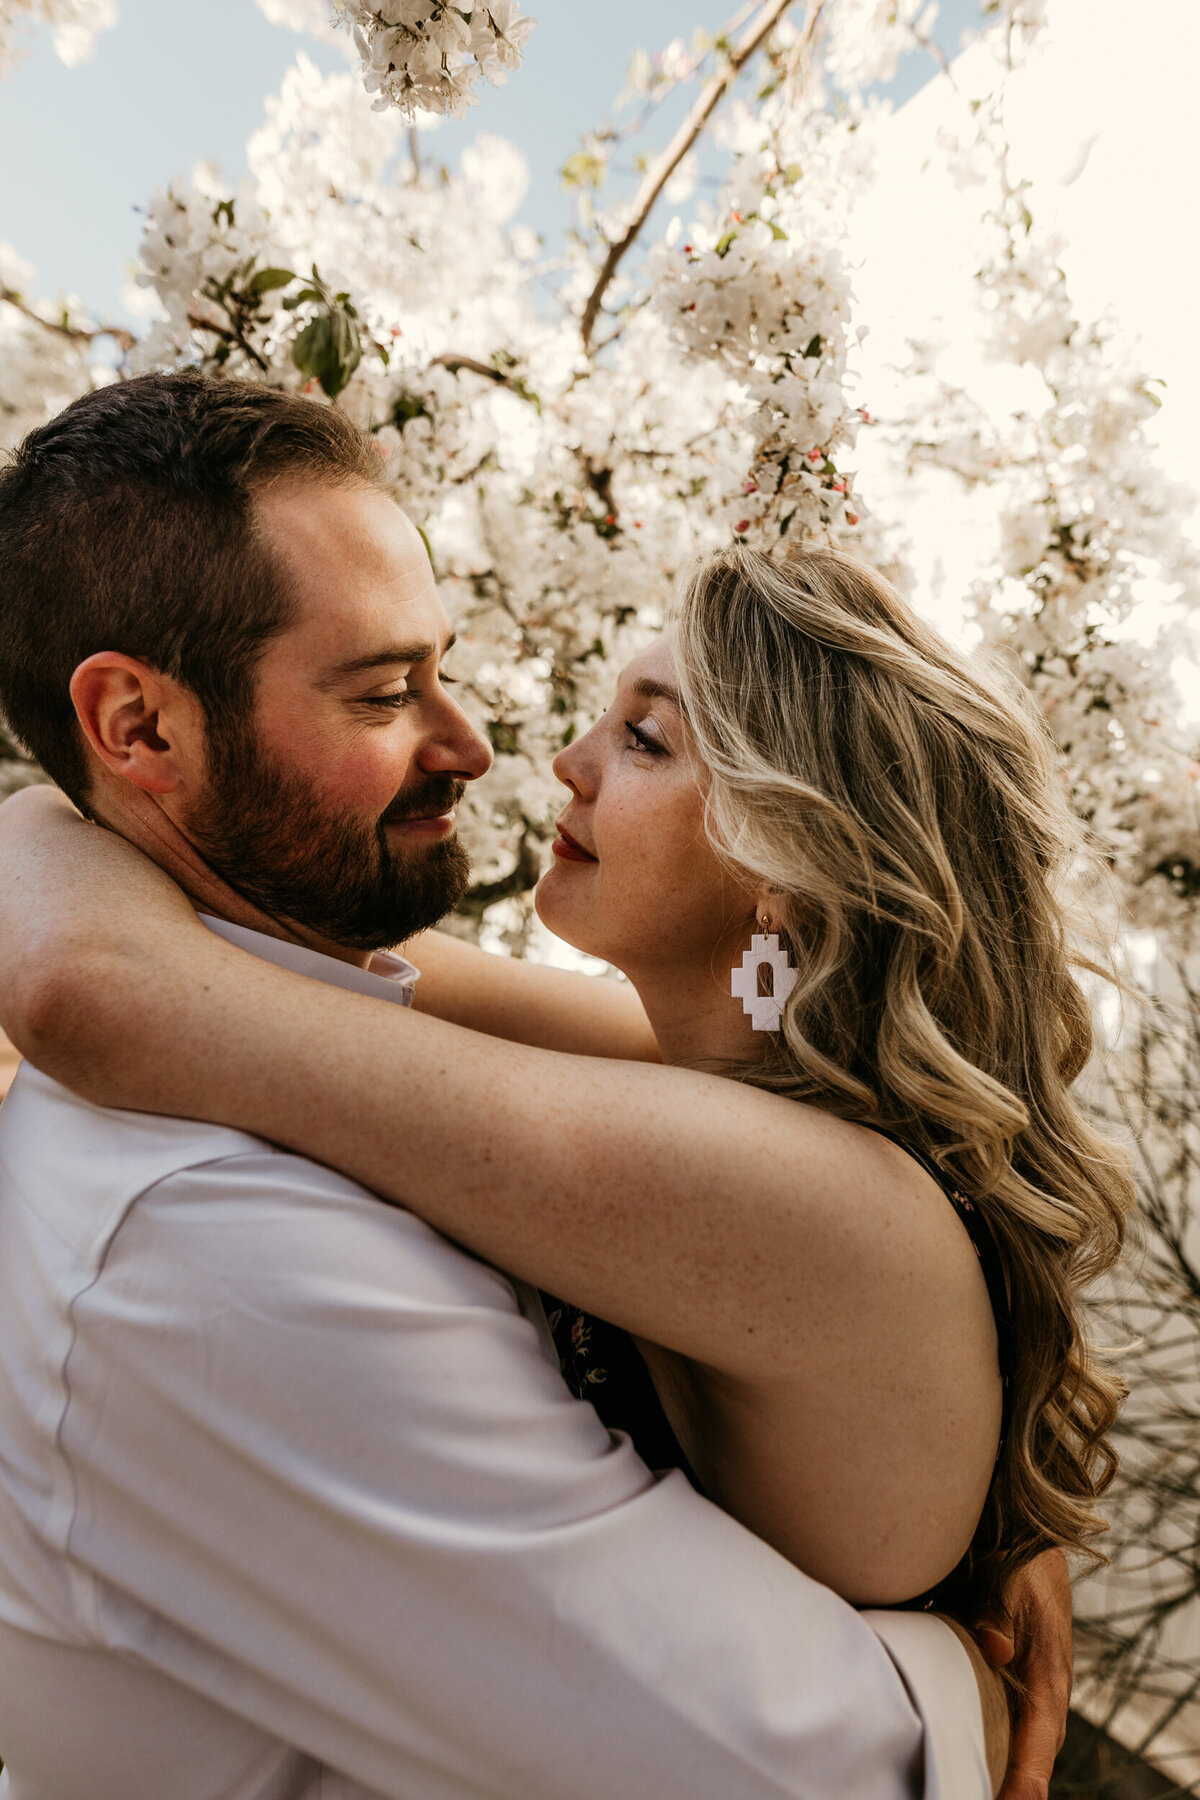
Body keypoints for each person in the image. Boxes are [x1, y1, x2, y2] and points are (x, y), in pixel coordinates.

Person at [0, 372, 1088, 1799]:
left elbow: (154, 976)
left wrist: (77, 921)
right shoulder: (213, 1245)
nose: (499, 750)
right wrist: (967, 1671)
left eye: (643, 739)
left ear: (787, 874)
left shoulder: (771, 1168)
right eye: (387, 691)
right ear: (138, 731)